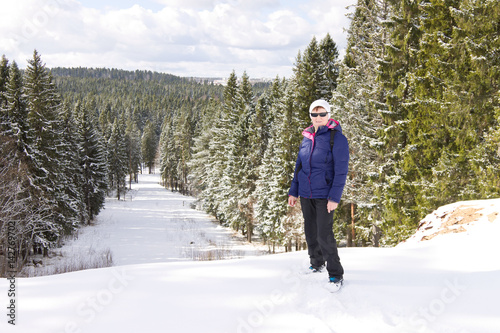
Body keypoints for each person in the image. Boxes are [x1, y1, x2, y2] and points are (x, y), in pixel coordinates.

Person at [288, 99, 349, 288]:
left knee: (324, 234)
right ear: (311, 117)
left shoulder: (337, 138)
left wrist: (334, 198)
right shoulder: (307, 138)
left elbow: (341, 171)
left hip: (325, 195)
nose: (319, 118)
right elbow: (300, 167)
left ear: (329, 115)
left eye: (322, 114)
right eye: (315, 114)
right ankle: (316, 263)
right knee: (311, 231)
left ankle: (335, 273)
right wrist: (294, 191)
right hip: (307, 194)